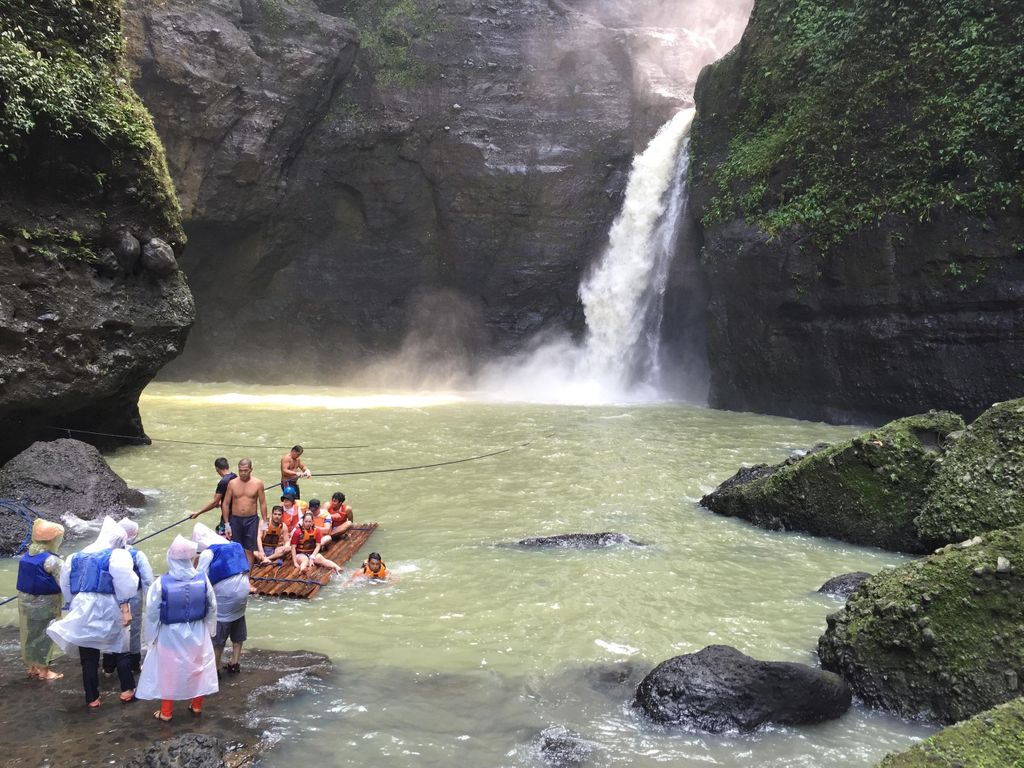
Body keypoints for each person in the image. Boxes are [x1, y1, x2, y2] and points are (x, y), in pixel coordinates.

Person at [47, 517, 139, 707]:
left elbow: (66, 583)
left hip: (82, 606)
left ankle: (92, 698)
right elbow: (125, 583)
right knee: (120, 648)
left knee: (88, 653)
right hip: (108, 605)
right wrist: (125, 608)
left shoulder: (75, 556)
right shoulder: (116, 556)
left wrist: (73, 604)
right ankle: (127, 690)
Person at [137, 535, 219, 721]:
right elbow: (212, 606)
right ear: (191, 559)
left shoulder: (160, 583)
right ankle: (196, 705)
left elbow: (151, 613)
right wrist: (211, 629)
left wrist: (150, 637)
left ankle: (166, 712)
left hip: (169, 633)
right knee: (198, 668)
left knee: (169, 671)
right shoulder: (203, 579)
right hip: (197, 630)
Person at [193, 522, 250, 675]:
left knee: (219, 631)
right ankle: (235, 662)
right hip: (244, 590)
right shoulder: (235, 545)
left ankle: (215, 667)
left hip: (226, 596)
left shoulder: (208, 553)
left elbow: (200, 579)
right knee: (238, 621)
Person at [102, 518, 155, 675]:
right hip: (133, 596)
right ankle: (133, 664)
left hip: (110, 597)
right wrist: (152, 601)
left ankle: (108, 665)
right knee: (134, 629)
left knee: (112, 627)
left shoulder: (105, 553)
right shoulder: (137, 555)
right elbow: (147, 579)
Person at [17, 518, 65, 680]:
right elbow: (64, 582)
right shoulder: (52, 560)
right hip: (46, 605)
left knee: (31, 633)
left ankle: (32, 667)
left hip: (25, 604)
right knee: (45, 636)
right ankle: (45, 671)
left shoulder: (26, 556)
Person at [221, 458, 268, 567]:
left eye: (245, 470)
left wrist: (265, 523)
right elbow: (225, 504)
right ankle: (238, 575)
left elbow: (263, 503)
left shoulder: (258, 483)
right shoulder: (232, 483)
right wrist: (227, 524)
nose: (242, 473)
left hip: (251, 519)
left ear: (251, 469)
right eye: (240, 470)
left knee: (249, 550)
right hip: (235, 519)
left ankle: (248, 579)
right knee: (236, 548)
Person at [189, 458, 236, 536]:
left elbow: (215, 503)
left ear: (217, 469)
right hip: (237, 516)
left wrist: (198, 513)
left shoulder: (223, 482)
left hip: (228, 518)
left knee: (221, 533)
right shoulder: (234, 476)